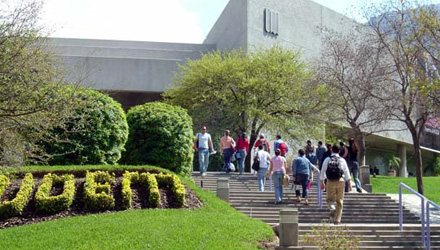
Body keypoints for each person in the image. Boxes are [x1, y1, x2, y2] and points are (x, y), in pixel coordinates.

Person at [320, 144, 352, 225]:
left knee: (329, 199)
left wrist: (322, 182)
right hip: (340, 181)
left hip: (330, 181)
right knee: (340, 201)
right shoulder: (342, 160)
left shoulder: (327, 159)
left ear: (331, 150)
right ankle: (337, 220)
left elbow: (323, 170)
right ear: (339, 151)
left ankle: (332, 208)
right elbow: (346, 171)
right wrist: (349, 182)